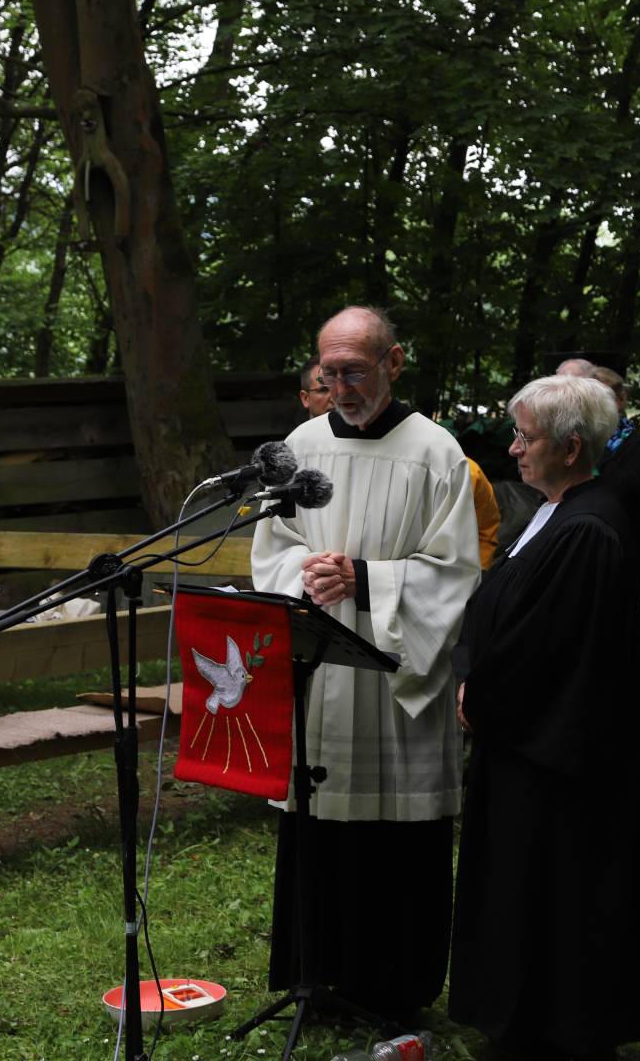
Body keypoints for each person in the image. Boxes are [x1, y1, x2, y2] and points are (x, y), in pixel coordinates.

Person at [251, 306, 479, 1020]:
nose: (342, 386)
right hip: (321, 672)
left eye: (355, 371)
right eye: (330, 373)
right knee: (319, 824)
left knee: (395, 844)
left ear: (394, 362)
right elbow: (271, 546)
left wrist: (368, 578)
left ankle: (394, 987)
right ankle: (318, 979)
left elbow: (455, 572)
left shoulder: (436, 452)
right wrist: (305, 572)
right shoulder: (298, 445)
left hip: (395, 681)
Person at [449, 374, 640, 1053]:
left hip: (558, 757)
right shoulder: (556, 509)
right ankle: (522, 1010)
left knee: (556, 890)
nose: (514, 448)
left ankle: (554, 1022)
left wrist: (481, 692)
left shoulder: (591, 528)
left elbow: (547, 650)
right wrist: (470, 672)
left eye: (527, 436)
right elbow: (502, 606)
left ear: (572, 448)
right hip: (526, 743)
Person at [560, 363, 640, 597]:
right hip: (573, 542)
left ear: (620, 401)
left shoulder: (637, 443)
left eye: (601, 397)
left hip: (617, 549)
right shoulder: (571, 439)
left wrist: (597, 447)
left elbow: (627, 490)